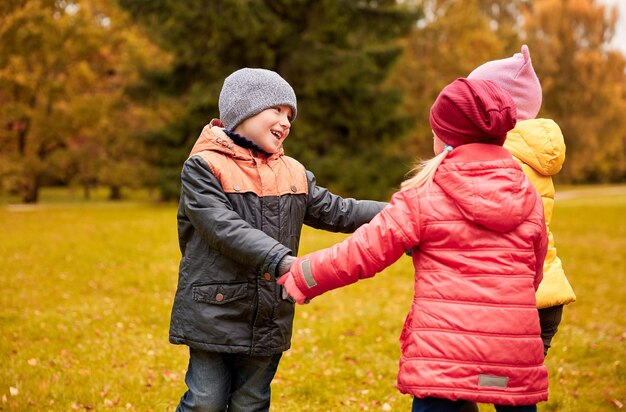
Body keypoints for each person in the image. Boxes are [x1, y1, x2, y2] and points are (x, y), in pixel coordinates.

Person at [279, 78, 550, 411]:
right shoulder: (528, 195)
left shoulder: (424, 194)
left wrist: (305, 274)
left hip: (445, 356)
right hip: (512, 352)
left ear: (447, 138)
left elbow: (365, 250)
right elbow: (533, 275)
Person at [169, 68, 387, 411]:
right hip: (215, 308)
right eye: (277, 110)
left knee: (251, 402)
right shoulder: (203, 167)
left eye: (290, 116)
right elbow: (224, 228)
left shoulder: (294, 172)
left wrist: (399, 212)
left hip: (269, 311)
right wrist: (284, 261)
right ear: (243, 110)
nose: (286, 122)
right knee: (205, 402)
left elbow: (339, 211)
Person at [468, 44, 576, 357]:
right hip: (543, 295)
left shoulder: (501, 156)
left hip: (517, 299)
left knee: (467, 388)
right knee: (503, 391)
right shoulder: (529, 152)